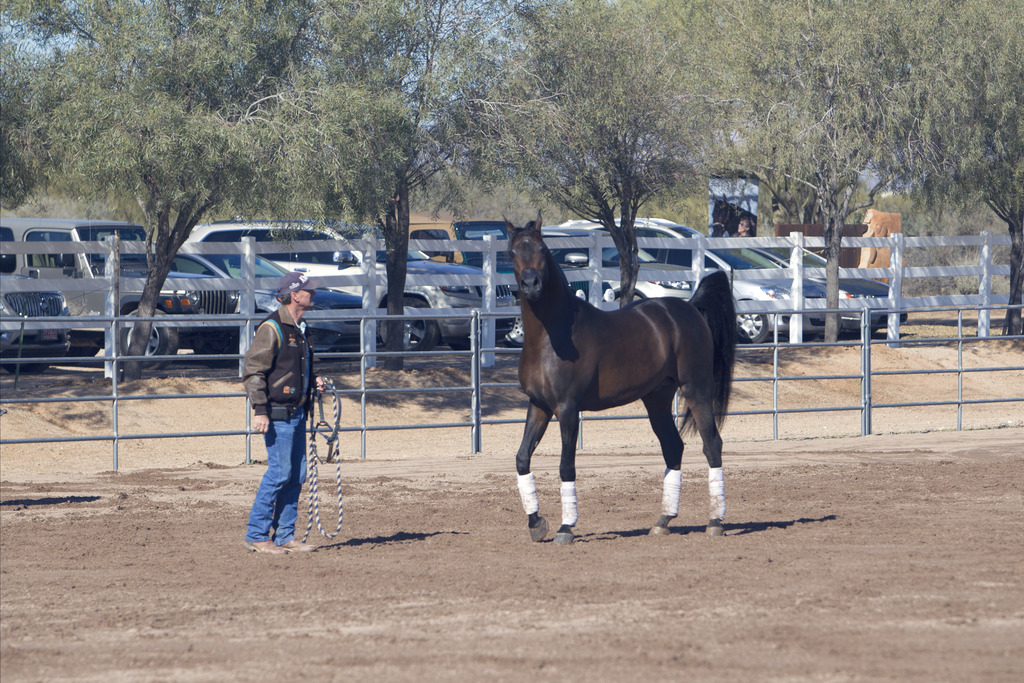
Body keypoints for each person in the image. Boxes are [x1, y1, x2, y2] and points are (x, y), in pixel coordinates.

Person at [242, 271, 326, 554]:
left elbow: (297, 367)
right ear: (295, 295)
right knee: (280, 473)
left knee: (296, 475)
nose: (312, 294)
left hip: (297, 411)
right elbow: (254, 371)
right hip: (277, 412)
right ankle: (256, 534)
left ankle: (285, 535)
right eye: (308, 291)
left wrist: (314, 381)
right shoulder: (272, 327)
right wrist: (260, 409)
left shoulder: (301, 329)